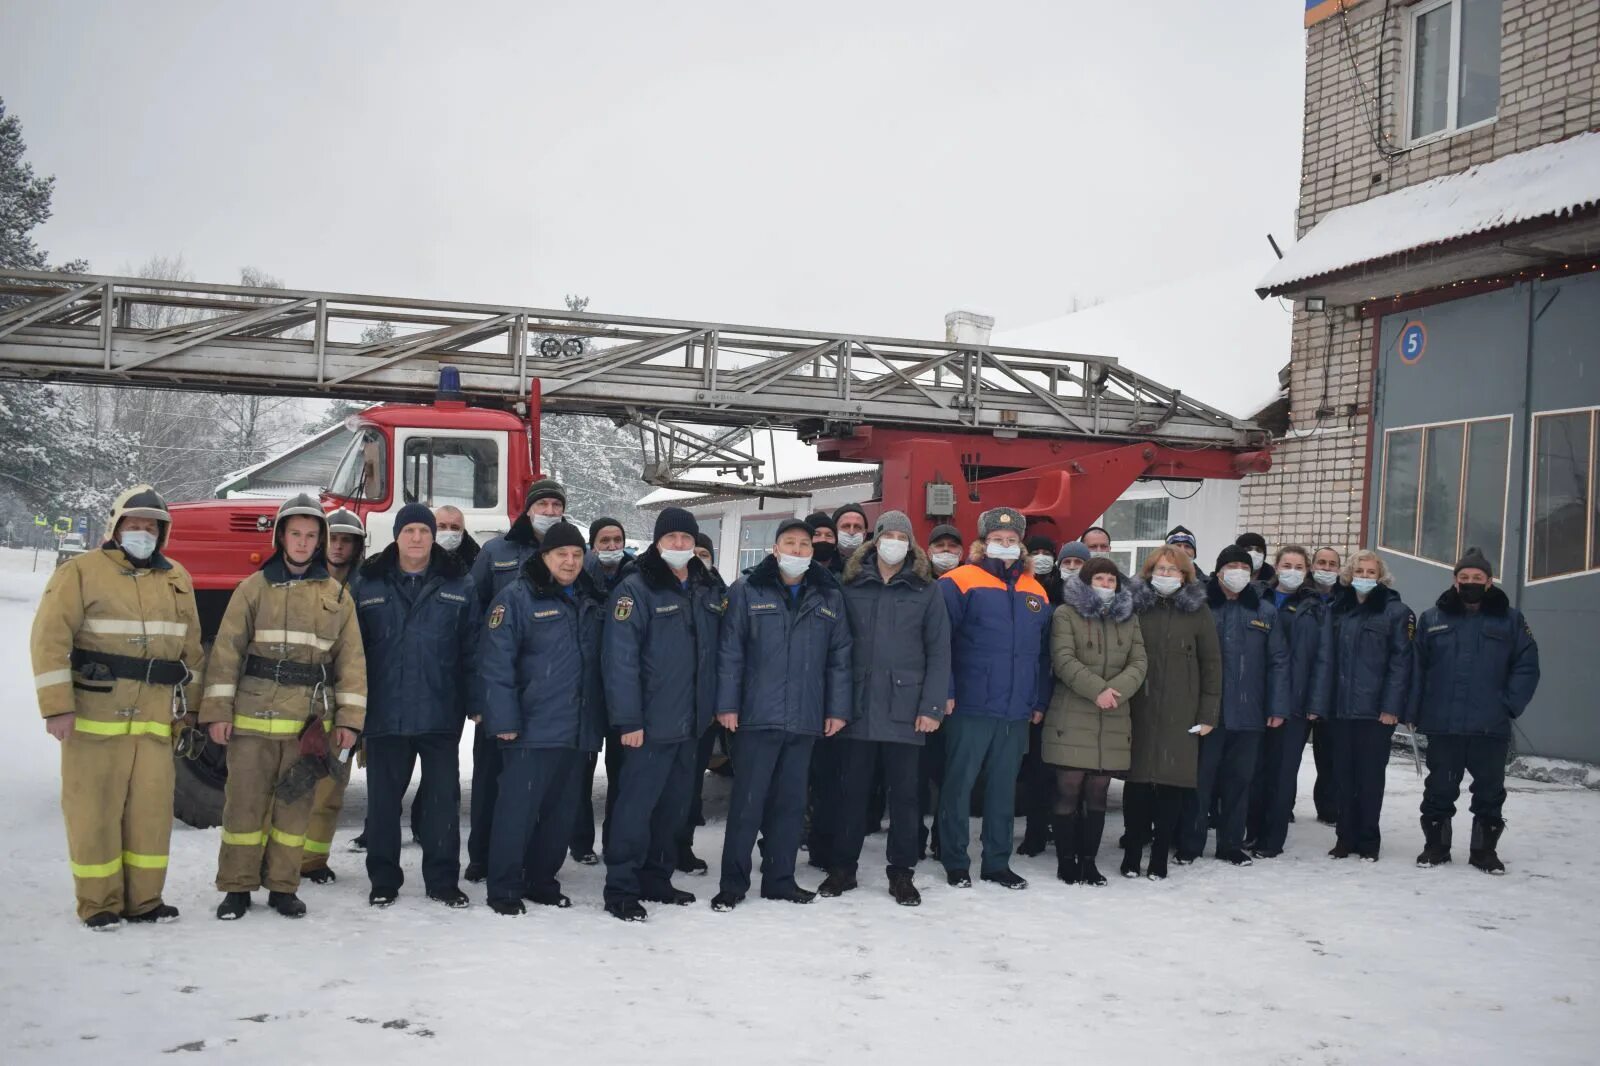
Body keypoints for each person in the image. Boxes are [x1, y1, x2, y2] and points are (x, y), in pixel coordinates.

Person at [30, 485, 204, 929]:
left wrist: (191, 710)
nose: (142, 532)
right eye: (134, 524)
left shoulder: (176, 578)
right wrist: (56, 707)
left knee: (150, 815)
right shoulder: (81, 572)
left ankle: (145, 901)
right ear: (116, 527)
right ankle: (99, 903)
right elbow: (49, 640)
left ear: (162, 533)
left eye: (151, 527)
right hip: (95, 718)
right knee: (94, 813)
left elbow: (192, 652)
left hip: (154, 721)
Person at [202, 494, 367, 920]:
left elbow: (351, 664)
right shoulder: (252, 589)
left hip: (306, 725)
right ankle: (237, 888)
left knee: (295, 810)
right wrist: (218, 712)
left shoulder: (336, 597)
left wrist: (348, 722)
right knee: (244, 806)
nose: (302, 542)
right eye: (295, 533)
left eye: (311, 535)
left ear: (320, 541)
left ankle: (282, 886)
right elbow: (225, 654)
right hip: (252, 720)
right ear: (281, 536)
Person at [711, 519, 852, 911]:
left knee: (790, 806)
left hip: (805, 717)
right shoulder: (747, 590)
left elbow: (840, 658)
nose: (796, 550)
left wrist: (837, 709)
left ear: (812, 551)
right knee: (748, 804)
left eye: (803, 544)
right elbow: (730, 652)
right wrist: (727, 704)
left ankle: (780, 879)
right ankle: (733, 884)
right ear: (775, 549)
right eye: (788, 543)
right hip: (757, 715)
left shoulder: (828, 595)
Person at [602, 507, 724, 921]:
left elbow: (716, 654)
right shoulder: (634, 589)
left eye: (686, 539)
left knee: (673, 808)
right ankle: (621, 887)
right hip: (650, 725)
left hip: (691, 724)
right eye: (671, 538)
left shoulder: (706, 588)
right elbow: (620, 661)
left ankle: (657, 877)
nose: (679, 545)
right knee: (635, 809)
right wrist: (629, 720)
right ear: (657, 542)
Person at [479, 520, 605, 914]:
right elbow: (496, 665)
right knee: (517, 812)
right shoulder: (516, 599)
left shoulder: (591, 597)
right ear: (544, 556)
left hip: (576, 728)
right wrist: (505, 723)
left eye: (576, 554)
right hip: (531, 729)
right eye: (560, 554)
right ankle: (504, 888)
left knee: (560, 815)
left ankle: (542, 881)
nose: (569, 561)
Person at [357, 504, 479, 909]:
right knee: (383, 805)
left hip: (440, 712)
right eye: (408, 530)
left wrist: (476, 700)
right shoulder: (368, 582)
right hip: (384, 711)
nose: (416, 538)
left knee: (443, 806)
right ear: (396, 535)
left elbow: (474, 648)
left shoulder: (458, 582)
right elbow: (352, 652)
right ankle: (383, 880)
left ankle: (443, 881)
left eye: (423, 531)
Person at [827, 511, 951, 906]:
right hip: (858, 707)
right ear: (874, 540)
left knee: (906, 797)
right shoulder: (849, 585)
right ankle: (843, 868)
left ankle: (901, 872)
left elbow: (939, 652)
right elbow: (836, 650)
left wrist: (932, 706)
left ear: (911, 543)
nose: (894, 541)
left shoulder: (926, 590)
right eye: (888, 534)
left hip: (906, 708)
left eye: (902, 535)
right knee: (851, 794)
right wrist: (837, 704)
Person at [938, 507, 1053, 890]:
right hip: (970, 705)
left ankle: (996, 862)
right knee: (959, 785)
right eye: (997, 540)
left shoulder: (1036, 590)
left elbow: (1041, 654)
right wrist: (947, 692)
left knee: (1004, 790)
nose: (1005, 545)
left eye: (1011, 540)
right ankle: (955, 860)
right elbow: (942, 646)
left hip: (1015, 709)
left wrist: (1038, 700)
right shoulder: (958, 582)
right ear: (982, 544)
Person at [1412, 549, 1539, 874]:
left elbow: (1526, 667)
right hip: (1444, 725)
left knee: (1489, 792)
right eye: (1464, 578)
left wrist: (1508, 705)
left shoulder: (1511, 620)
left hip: (1490, 726)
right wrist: (1415, 709)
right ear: (1455, 581)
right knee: (1439, 788)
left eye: (1477, 578)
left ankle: (1484, 852)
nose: (1470, 583)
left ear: (1489, 581)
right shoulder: (1432, 618)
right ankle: (1436, 847)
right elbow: (1416, 668)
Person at [464, 477, 565, 884]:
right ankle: (481, 856)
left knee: (536, 788)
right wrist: (478, 695)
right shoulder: (496, 553)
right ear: (527, 509)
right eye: (544, 506)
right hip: (499, 688)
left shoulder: (569, 554)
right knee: (491, 779)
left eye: (557, 506)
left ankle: (524, 857)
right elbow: (473, 623)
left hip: (546, 694)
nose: (550, 513)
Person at [1178, 545, 1288, 866]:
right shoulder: (1200, 605)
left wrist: (1277, 707)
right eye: (1232, 565)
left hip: (1249, 714)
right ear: (1219, 570)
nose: (1238, 571)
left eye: (1244, 565)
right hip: (1207, 713)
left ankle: (1230, 845)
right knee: (1200, 782)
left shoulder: (1264, 611)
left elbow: (1278, 661)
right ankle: (1191, 843)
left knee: (1239, 782)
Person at [1044, 557, 1147, 886]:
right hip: (1073, 713)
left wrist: (1117, 691)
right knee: (1069, 789)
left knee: (1099, 792)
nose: (1105, 585)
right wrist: (1097, 690)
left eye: (1111, 580)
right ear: (1086, 583)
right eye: (1099, 579)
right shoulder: (1066, 614)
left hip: (1113, 715)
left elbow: (1139, 660)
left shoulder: (1128, 619)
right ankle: (1066, 860)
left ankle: (1089, 861)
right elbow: (1062, 658)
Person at [1123, 546, 1221, 880]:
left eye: (1173, 570)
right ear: (1149, 573)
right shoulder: (1134, 606)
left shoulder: (1198, 612)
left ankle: (1160, 854)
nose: (1166, 576)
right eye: (1160, 569)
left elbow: (1211, 664)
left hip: (1182, 710)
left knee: (1171, 786)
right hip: (1139, 707)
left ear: (1185, 576)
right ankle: (1133, 852)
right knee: (1136, 784)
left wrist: (1208, 713)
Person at [1325, 549, 1414, 862]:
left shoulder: (1395, 612)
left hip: (1376, 713)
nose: (1364, 577)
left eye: (1370, 572)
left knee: (1370, 778)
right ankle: (1344, 838)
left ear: (1381, 577)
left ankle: (1368, 840)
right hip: (1341, 710)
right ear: (1350, 575)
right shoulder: (1339, 609)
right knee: (1343, 777)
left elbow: (1401, 664)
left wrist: (1392, 707)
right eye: (1359, 572)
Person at [1248, 546, 1332, 859]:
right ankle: (1251, 830)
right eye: (1287, 564)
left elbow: (1324, 659)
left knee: (1282, 773)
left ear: (1307, 570)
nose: (1292, 570)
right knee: (1254, 771)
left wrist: (1316, 703)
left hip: (1295, 704)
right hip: (1256, 699)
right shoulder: (1258, 598)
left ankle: (1271, 839)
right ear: (1276, 567)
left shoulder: (1316, 607)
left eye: (1299, 566)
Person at [301, 506, 367, 884]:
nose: (338, 547)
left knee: (331, 787)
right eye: (333, 538)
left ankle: (312, 861)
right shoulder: (297, 581)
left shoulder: (368, 586)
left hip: (344, 701)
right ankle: (279, 859)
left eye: (347, 540)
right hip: (298, 697)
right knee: (291, 786)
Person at [573, 515, 635, 866]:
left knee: (623, 772)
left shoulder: (638, 578)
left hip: (624, 692)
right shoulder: (579, 580)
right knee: (581, 772)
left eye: (617, 539)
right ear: (592, 546)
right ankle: (580, 841)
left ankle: (616, 840)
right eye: (604, 541)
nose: (612, 547)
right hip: (588, 691)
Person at [678, 530, 728, 873]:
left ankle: (681, 847)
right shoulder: (665, 588)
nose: (698, 557)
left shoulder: (720, 593)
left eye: (703, 552)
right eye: (692, 550)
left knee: (690, 786)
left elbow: (731, 652)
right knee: (664, 787)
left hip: (705, 709)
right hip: (670, 706)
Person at [919, 523, 965, 857]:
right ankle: (915, 833)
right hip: (918, 690)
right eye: (940, 546)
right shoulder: (918, 582)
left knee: (949, 770)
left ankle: (941, 833)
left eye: (952, 546)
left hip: (958, 691)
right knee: (917, 770)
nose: (946, 552)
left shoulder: (968, 584)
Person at [1308, 546, 1343, 825]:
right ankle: (1283, 807)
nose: (1327, 568)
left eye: (1332, 564)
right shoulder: (1301, 595)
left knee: (1329, 755)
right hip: (1299, 687)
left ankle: (1329, 807)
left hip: (1333, 690)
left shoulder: (1345, 601)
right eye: (1321, 562)